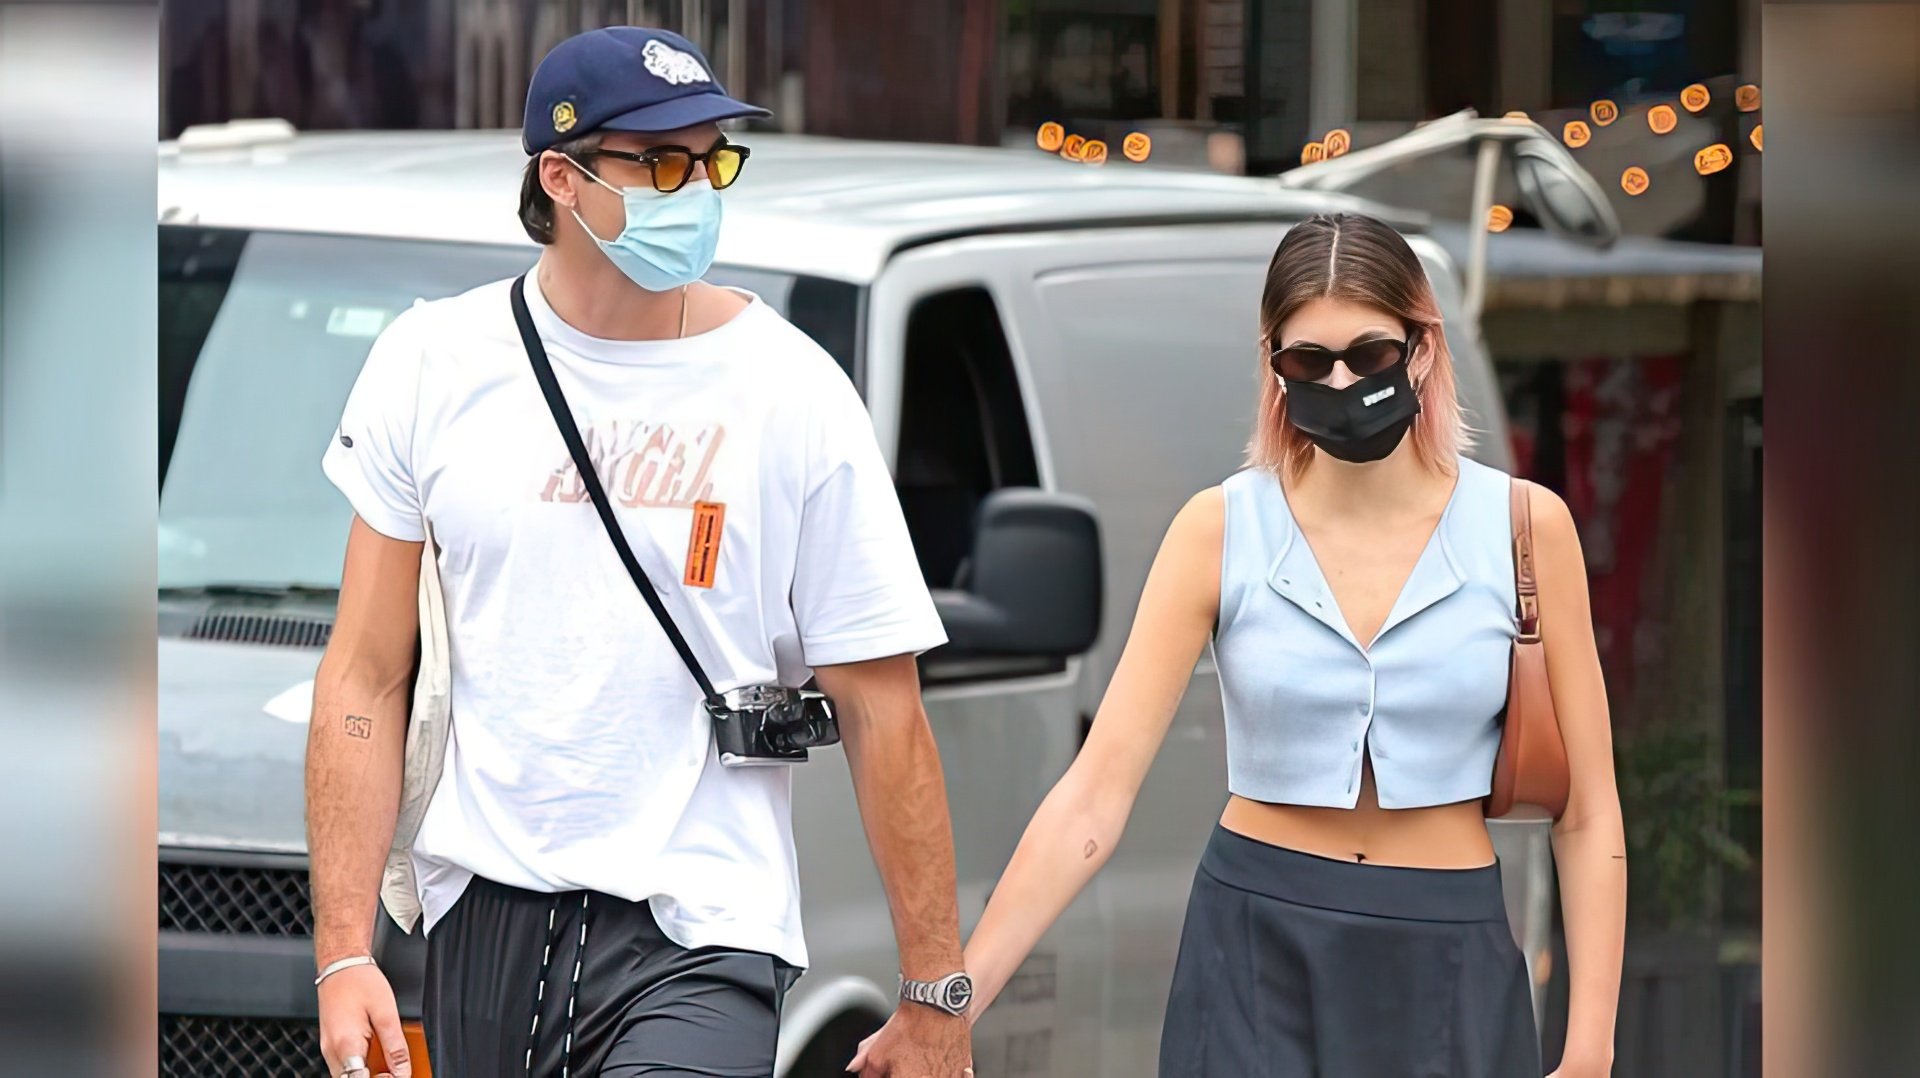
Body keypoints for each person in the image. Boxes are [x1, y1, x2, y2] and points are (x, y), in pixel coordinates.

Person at [306, 27, 973, 1078]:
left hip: (707, 927)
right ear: (561, 178)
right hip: (487, 913)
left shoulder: (793, 393)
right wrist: (343, 950)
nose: (698, 189)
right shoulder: (431, 366)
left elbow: (886, 706)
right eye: (662, 163)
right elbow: (365, 672)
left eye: (714, 161)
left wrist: (937, 992)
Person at [857, 212, 1627, 1076]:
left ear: (1422, 346)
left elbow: (1589, 808)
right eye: (1308, 362)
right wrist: (949, 1002)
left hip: (1447, 946)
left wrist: (1590, 1049)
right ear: (1274, 366)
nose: (1341, 381)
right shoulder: (1220, 528)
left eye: (1369, 354)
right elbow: (1094, 796)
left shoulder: (1525, 528)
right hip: (1255, 945)